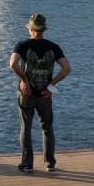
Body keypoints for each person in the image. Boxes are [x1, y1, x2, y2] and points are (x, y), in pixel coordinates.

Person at [8, 13, 71, 173]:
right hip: (45, 94)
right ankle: (49, 163)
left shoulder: (22, 45)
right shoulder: (53, 47)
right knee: (47, 128)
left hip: (26, 93)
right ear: (43, 30)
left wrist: (25, 81)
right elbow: (66, 68)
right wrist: (51, 85)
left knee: (26, 128)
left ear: (30, 29)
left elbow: (13, 64)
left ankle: (27, 163)